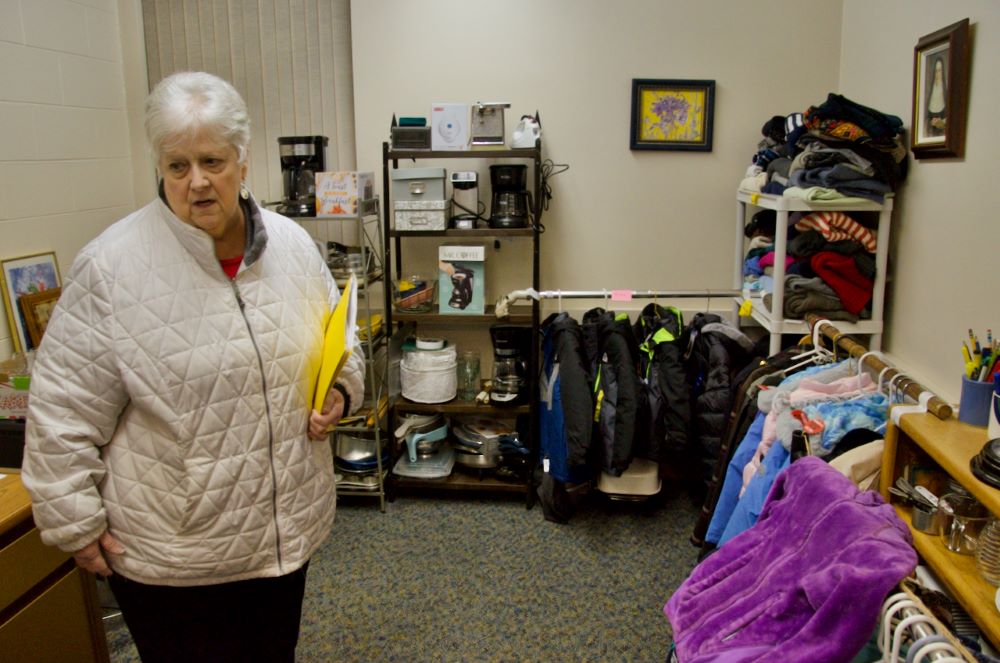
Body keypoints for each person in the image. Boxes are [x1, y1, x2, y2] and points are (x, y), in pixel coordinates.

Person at [21, 71, 364, 663]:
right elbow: (60, 413)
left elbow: (341, 345)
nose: (197, 182)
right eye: (177, 166)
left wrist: (341, 391)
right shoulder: (110, 268)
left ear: (243, 161)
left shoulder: (293, 247)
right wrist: (75, 524)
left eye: (212, 161)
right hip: (175, 553)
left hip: (281, 536)